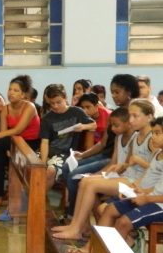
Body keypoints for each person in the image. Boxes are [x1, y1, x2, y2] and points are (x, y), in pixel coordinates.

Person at [52, 99, 156, 241]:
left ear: (149, 117)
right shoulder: (136, 136)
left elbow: (156, 169)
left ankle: (77, 229)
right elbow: (127, 164)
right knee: (84, 181)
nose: (131, 120)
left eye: (135, 116)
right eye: (130, 115)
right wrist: (119, 166)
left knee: (91, 185)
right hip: (128, 176)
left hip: (140, 182)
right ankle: (77, 226)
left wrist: (137, 163)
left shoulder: (153, 139)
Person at [65, 117, 163, 253]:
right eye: (153, 133)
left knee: (123, 222)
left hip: (159, 205)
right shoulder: (158, 153)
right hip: (150, 197)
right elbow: (156, 186)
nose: (153, 137)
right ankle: (90, 249)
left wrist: (147, 198)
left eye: (158, 133)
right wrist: (139, 192)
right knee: (109, 209)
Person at [60, 107, 131, 219]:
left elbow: (122, 166)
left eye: (116, 125)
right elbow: (107, 152)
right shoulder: (119, 137)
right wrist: (84, 156)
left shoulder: (133, 138)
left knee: (77, 177)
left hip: (120, 173)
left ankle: (74, 213)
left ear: (128, 123)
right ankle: (78, 215)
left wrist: (97, 176)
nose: (112, 128)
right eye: (111, 125)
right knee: (69, 169)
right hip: (109, 163)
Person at [0, 75, 40, 210]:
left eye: (15, 90)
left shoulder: (30, 106)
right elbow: (4, 133)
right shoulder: (6, 109)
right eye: (10, 89)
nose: (11, 93)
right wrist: (7, 147)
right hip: (14, 140)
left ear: (23, 94)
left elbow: (18, 129)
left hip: (30, 143)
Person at [39, 84, 96, 190]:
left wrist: (83, 126)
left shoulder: (76, 112)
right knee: (31, 165)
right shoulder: (47, 118)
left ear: (65, 98)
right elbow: (44, 142)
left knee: (50, 171)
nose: (55, 106)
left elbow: (93, 125)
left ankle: (38, 198)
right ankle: (33, 195)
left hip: (65, 153)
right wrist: (43, 162)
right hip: (48, 150)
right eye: (52, 103)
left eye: (58, 102)